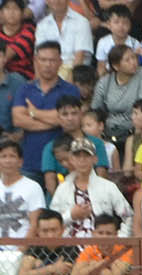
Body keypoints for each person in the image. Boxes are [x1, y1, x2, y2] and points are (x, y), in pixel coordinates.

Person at [13, 41, 80, 182]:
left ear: (60, 62)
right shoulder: (25, 89)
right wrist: (55, 121)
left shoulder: (70, 90)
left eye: (52, 60)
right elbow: (18, 119)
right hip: (30, 162)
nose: (48, 64)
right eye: (43, 60)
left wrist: (34, 113)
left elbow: (68, 119)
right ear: (36, 61)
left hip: (62, 163)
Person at [51, 137, 131, 236]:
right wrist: (71, 215)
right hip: (70, 248)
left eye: (87, 156)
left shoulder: (108, 187)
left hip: (102, 247)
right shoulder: (62, 189)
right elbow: (51, 223)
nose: (82, 160)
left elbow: (129, 216)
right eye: (77, 156)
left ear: (95, 159)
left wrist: (119, 239)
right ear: (71, 159)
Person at [0, 137, 44, 240]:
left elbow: (35, 224)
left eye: (12, 156)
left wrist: (21, 250)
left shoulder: (33, 187)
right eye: (3, 156)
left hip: (22, 250)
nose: (8, 161)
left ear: (20, 161)